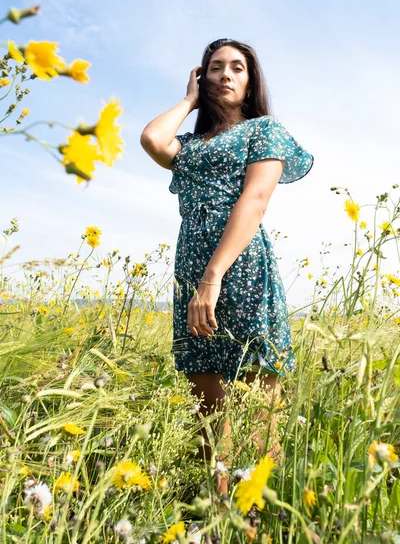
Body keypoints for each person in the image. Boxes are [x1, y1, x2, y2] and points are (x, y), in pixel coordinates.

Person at [140, 38, 314, 495]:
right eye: (214, 67)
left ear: (251, 80)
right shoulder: (191, 145)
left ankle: (258, 512)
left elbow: (254, 202)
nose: (225, 74)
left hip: (238, 270)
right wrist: (188, 100)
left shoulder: (264, 131)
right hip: (191, 274)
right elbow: (152, 139)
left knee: (260, 413)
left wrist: (213, 276)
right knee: (209, 414)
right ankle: (221, 517)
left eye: (237, 67)